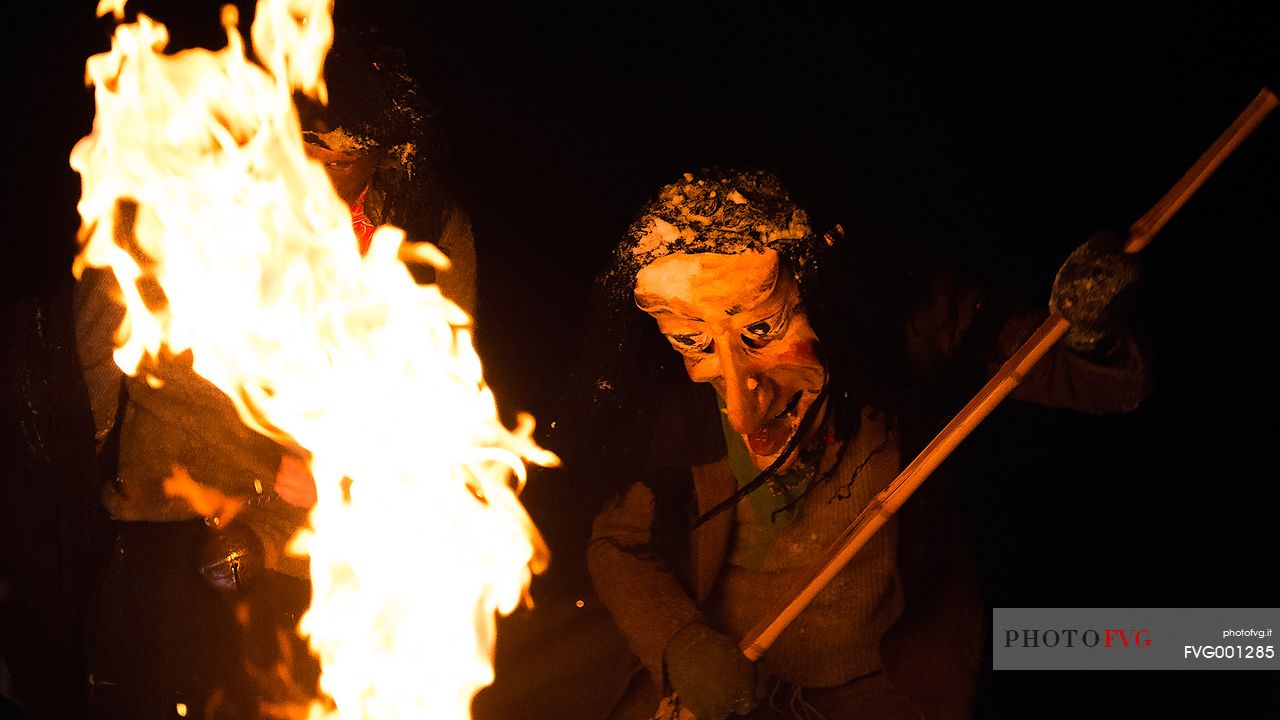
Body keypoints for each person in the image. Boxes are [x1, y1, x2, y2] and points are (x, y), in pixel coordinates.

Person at [573, 167, 1148, 720]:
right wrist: (683, 647)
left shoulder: (900, 336)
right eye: (692, 341)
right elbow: (619, 545)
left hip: (876, 680)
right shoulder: (671, 411)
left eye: (762, 330)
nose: (742, 407)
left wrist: (1088, 328)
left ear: (821, 295)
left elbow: (1093, 383)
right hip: (729, 680)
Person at [72, 18, 478, 719]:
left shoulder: (427, 235)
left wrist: (318, 490)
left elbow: (436, 411)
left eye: (340, 154)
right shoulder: (172, 208)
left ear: (387, 156)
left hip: (320, 553)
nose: (307, 169)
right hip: (167, 524)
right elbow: (91, 373)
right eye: (300, 141)